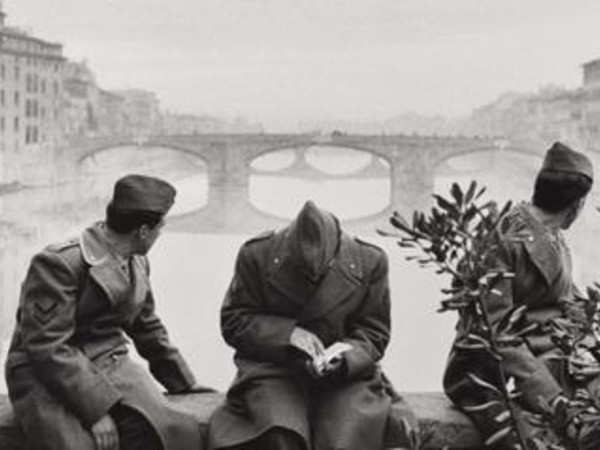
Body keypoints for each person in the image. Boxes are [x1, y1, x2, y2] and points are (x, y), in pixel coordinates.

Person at [5, 174, 211, 450]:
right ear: (143, 231)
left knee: (174, 431)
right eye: (160, 227)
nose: (161, 234)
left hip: (107, 361)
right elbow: (47, 345)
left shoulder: (137, 261)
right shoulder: (58, 263)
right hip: (44, 372)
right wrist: (96, 410)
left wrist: (183, 383)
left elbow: (146, 326)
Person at [208, 200, 409, 450]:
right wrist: (287, 334)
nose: (312, 278)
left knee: (344, 438)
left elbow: (374, 332)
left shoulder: (370, 260)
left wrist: (344, 357)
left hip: (347, 377)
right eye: (303, 272)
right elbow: (234, 321)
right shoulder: (257, 254)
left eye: (321, 272)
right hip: (275, 370)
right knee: (281, 433)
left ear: (336, 256)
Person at [443, 142, 600, 448]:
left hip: (546, 357)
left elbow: (571, 303)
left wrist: (590, 349)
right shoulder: (502, 236)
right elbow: (495, 331)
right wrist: (552, 397)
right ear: (577, 205)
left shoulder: (552, 236)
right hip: (489, 372)